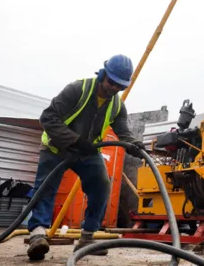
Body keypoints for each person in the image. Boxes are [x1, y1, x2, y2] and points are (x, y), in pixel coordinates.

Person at [27, 54, 145, 260]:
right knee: (45, 188)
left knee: (101, 185)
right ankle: (37, 235)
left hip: (87, 153)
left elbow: (123, 131)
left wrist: (134, 144)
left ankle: (87, 238)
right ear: (102, 74)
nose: (114, 89)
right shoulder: (77, 89)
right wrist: (74, 140)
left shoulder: (117, 105)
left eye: (120, 86)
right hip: (57, 148)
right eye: (112, 82)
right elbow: (48, 118)